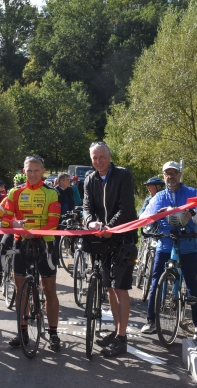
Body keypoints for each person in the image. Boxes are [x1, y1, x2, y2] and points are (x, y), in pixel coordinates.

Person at [0, 156, 62, 350]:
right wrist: (14, 224)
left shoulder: (51, 193)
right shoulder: (15, 192)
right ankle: (22, 332)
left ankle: (53, 333)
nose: (32, 174)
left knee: (49, 290)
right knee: (20, 290)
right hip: (21, 243)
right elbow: (5, 217)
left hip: (45, 244)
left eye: (36, 170)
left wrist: (35, 233)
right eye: (28, 171)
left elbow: (53, 222)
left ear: (43, 171)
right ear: (23, 171)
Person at [139, 161, 197, 339]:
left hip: (187, 243)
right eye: (167, 173)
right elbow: (143, 217)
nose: (171, 177)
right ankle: (151, 320)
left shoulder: (192, 193)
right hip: (165, 243)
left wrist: (193, 213)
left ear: (180, 174)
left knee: (192, 283)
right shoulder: (159, 196)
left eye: (174, 173)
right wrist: (155, 215)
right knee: (155, 281)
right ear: (163, 175)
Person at [83, 141, 138, 358]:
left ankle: (122, 338)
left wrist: (110, 227)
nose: (98, 162)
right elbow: (87, 207)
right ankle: (117, 331)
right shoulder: (89, 179)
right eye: (94, 158)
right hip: (101, 239)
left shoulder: (123, 175)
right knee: (109, 288)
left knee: (120, 288)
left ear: (109, 155)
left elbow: (127, 208)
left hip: (123, 238)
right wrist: (90, 223)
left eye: (101, 157)